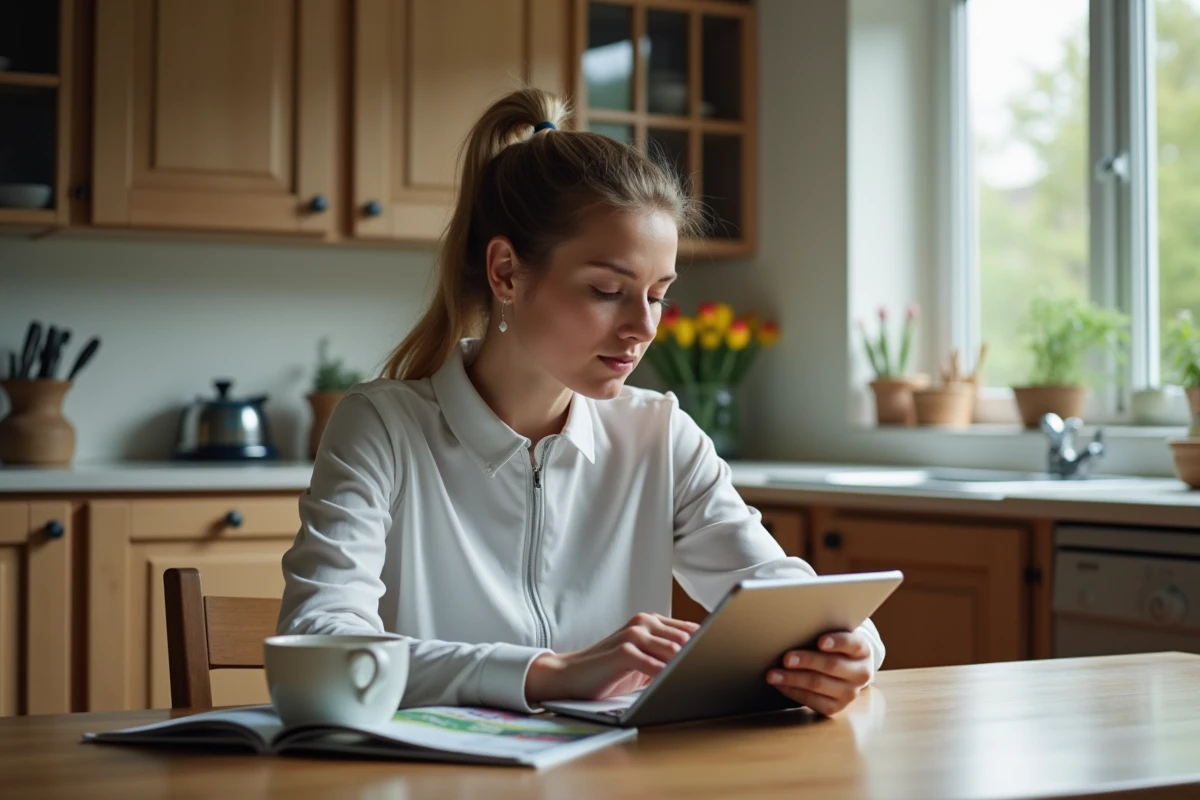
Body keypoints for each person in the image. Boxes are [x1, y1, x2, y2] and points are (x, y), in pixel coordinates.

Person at [277, 88, 884, 718]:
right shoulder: (380, 427)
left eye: (656, 294)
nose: (643, 327)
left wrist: (850, 650)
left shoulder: (659, 433)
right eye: (606, 289)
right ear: (506, 273)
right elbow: (320, 644)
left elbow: (783, 593)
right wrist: (549, 673)